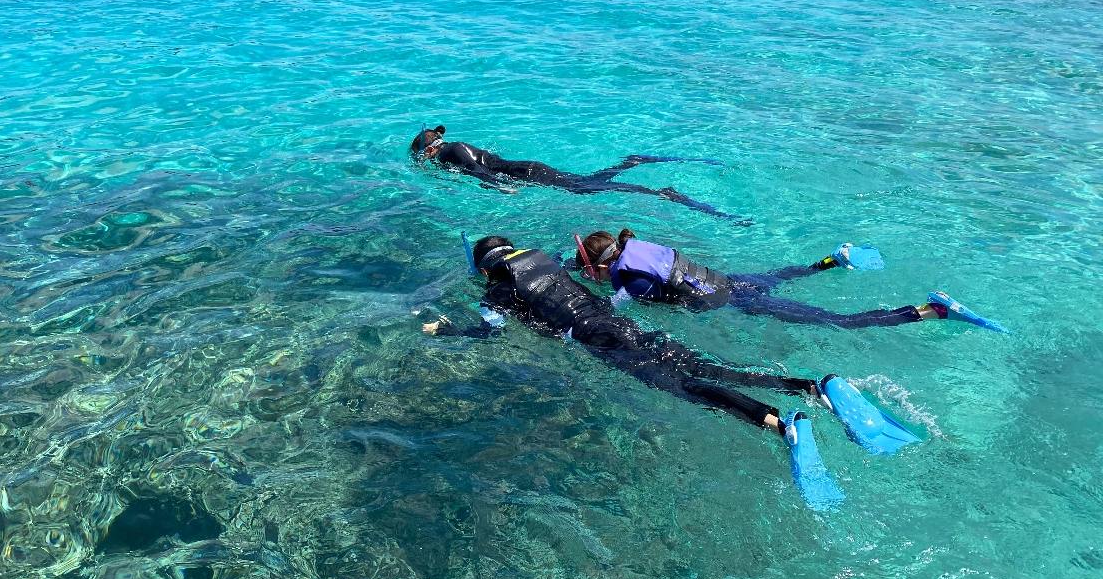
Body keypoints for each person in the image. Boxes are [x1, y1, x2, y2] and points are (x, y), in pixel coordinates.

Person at [423, 235, 925, 510]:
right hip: (616, 323)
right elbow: (567, 270)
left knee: (687, 386)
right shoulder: (545, 261)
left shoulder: (500, 290)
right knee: (702, 366)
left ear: (488, 269)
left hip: (601, 342)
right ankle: (813, 386)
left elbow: (487, 331)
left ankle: (779, 422)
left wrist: (443, 331)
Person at [574, 229, 1008, 333]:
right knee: (780, 276)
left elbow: (619, 305)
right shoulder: (640, 249)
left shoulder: (632, 280)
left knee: (837, 322)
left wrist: (589, 309)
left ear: (598, 262)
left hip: (729, 300)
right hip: (725, 280)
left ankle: (932, 310)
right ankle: (834, 260)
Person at [409, 124, 748, 223]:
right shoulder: (453, 148)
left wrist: (500, 191)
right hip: (529, 168)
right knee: (590, 182)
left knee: (587, 189)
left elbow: (475, 169)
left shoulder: (451, 150)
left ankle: (662, 193)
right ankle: (633, 161)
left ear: (429, 148)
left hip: (529, 173)